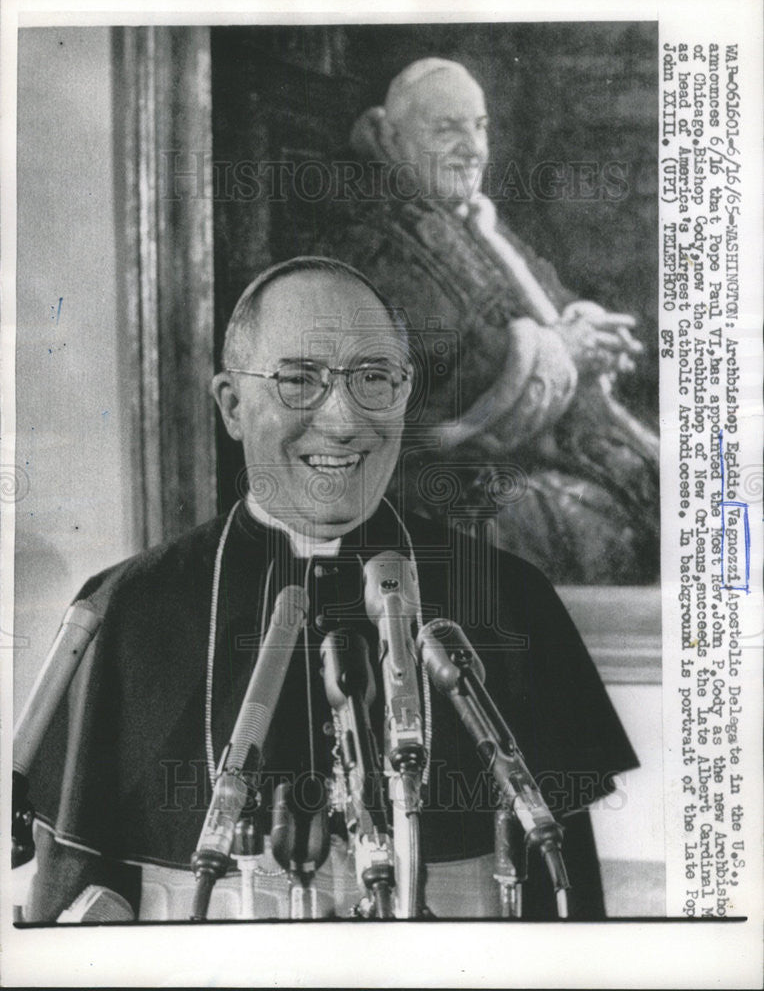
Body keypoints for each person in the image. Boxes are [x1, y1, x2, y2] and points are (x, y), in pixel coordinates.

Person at [21, 257, 637, 923]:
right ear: (232, 405)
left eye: (373, 379)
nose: (343, 420)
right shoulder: (130, 608)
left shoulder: (514, 601)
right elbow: (74, 915)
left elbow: (569, 914)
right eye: (298, 380)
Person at [316, 58, 660, 585]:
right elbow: (431, 371)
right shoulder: (373, 235)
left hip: (522, 448)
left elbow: (548, 301)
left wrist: (589, 330)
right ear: (395, 136)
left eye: (479, 127)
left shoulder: (471, 219)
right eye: (447, 129)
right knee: (569, 519)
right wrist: (563, 352)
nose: (472, 148)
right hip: (414, 474)